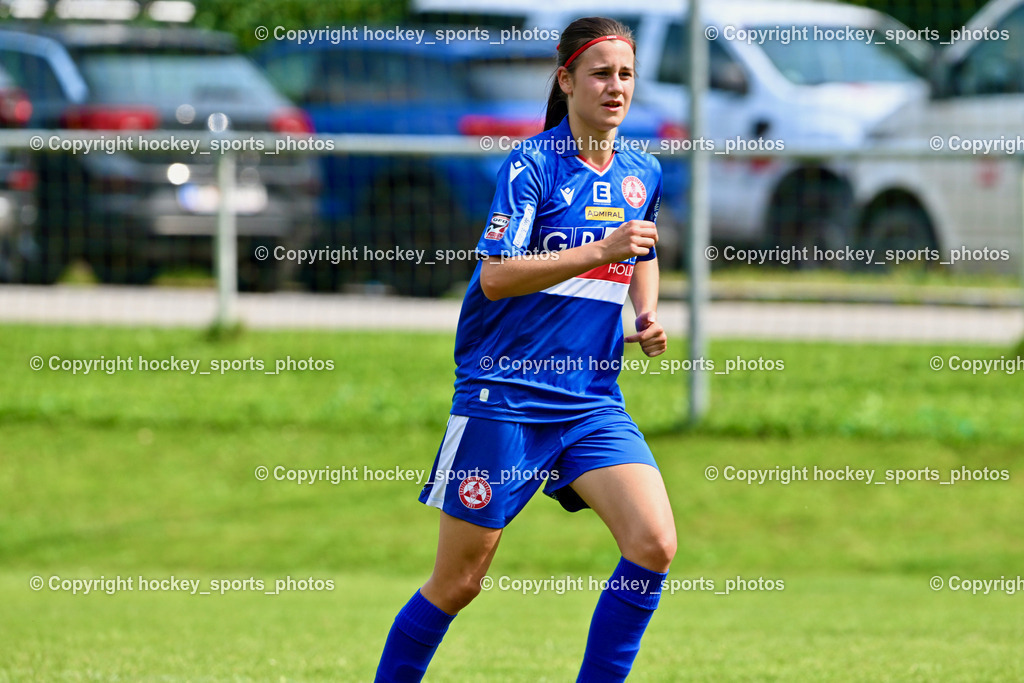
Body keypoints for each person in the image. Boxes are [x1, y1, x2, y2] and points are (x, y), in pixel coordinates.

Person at [375, 16, 676, 682]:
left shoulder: (642, 169)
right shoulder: (531, 165)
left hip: (590, 402)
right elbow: (496, 274)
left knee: (654, 543)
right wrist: (600, 250)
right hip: (504, 396)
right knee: (459, 580)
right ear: (566, 80)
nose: (615, 86)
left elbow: (641, 243)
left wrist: (646, 311)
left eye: (625, 74)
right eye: (600, 73)